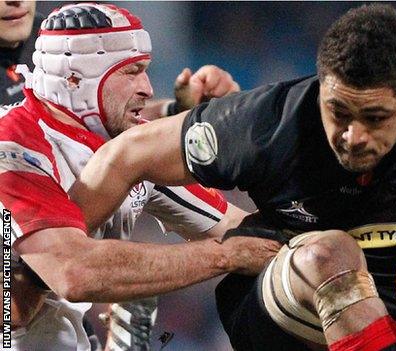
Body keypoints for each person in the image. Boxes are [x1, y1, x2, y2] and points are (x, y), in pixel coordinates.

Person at [70, 4, 396, 351]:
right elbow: (126, 154)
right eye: (338, 113)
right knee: (327, 252)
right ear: (320, 86)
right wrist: (50, 251)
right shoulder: (267, 122)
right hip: (279, 306)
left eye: (374, 118)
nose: (352, 136)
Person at [1, 3, 280, 351]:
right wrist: (226, 255)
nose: (147, 87)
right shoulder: (14, 146)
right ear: (75, 77)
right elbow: (73, 273)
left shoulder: (128, 145)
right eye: (131, 71)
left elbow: (245, 232)